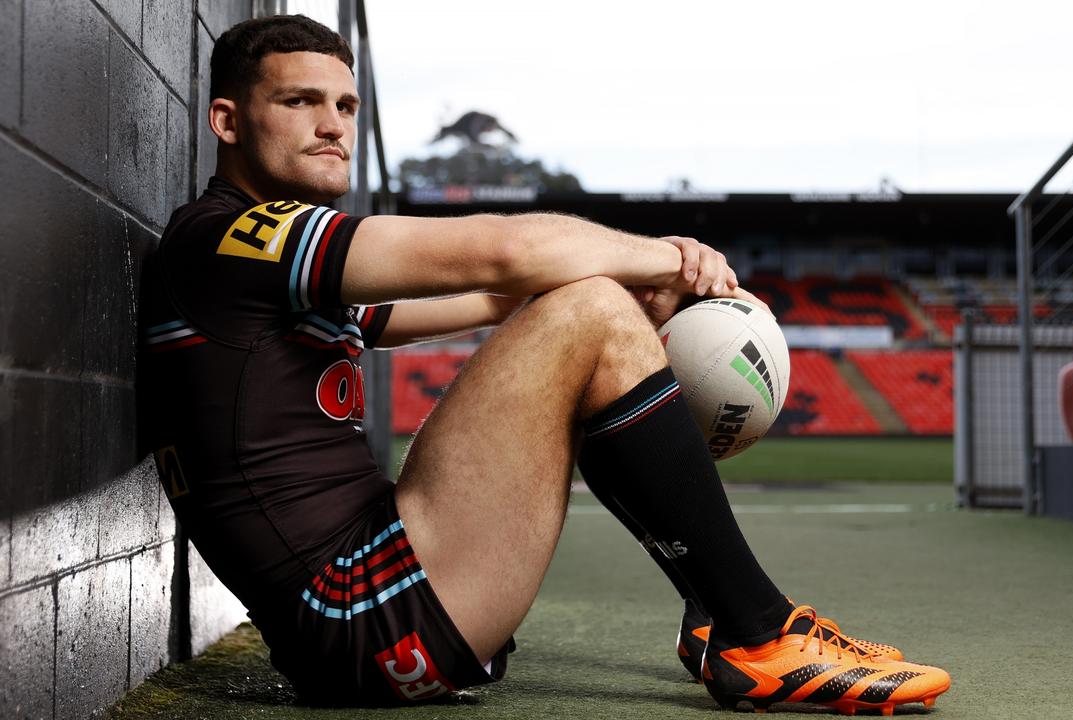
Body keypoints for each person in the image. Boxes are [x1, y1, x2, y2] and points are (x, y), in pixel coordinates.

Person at [138, 14, 951, 714]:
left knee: (594, 308)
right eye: (299, 102)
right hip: (359, 616)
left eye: (345, 104)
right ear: (227, 120)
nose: (333, 125)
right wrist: (665, 257)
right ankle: (760, 636)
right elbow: (504, 256)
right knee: (592, 309)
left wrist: (645, 300)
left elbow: (501, 299)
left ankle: (715, 614)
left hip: (370, 591)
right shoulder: (228, 237)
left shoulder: (277, 273)